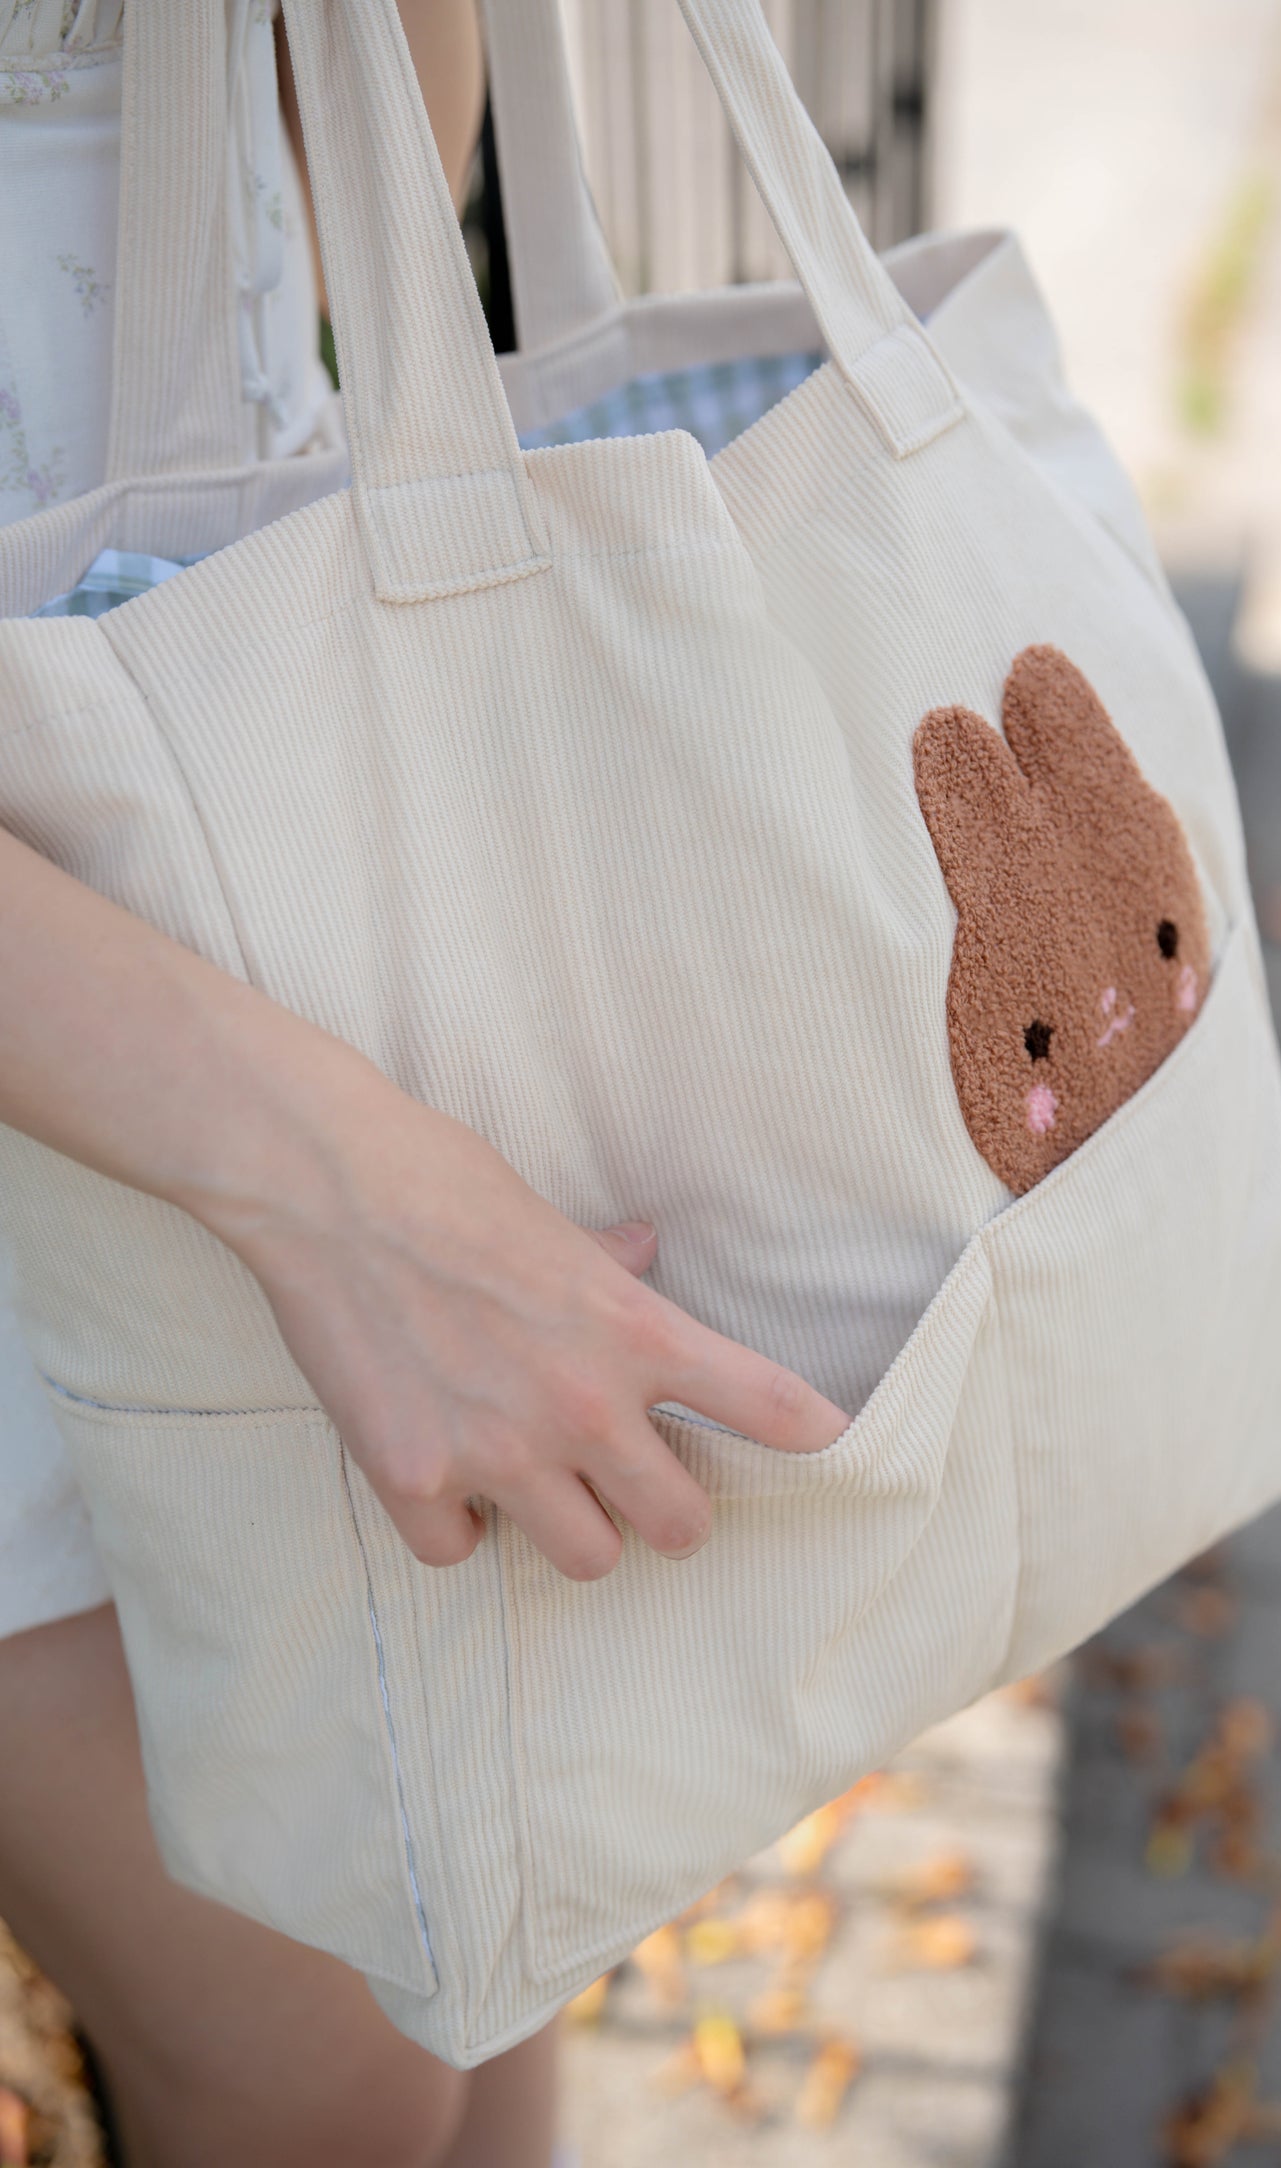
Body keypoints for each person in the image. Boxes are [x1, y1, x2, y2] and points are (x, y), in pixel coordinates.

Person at [0, 6, 848, 2164]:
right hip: (158, 1017)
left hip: (246, 784)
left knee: (489, 1943)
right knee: (342, 2045)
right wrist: (334, 1185)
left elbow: (376, 116)